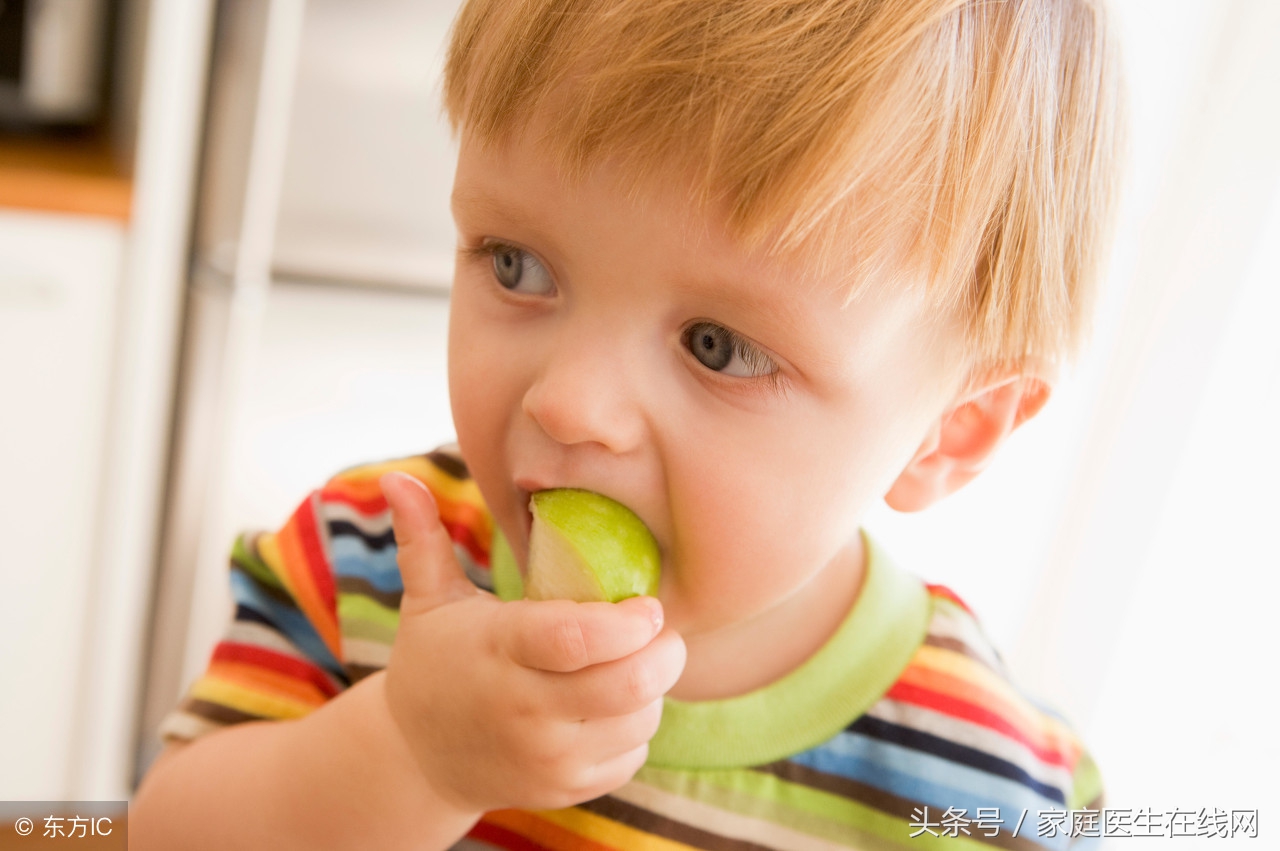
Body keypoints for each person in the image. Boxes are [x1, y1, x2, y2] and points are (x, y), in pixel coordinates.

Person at [132, 0, 1123, 847]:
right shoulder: (367, 563)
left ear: (947, 430)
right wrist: (408, 753)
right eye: (516, 263)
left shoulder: (992, 792)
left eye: (718, 345)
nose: (568, 402)